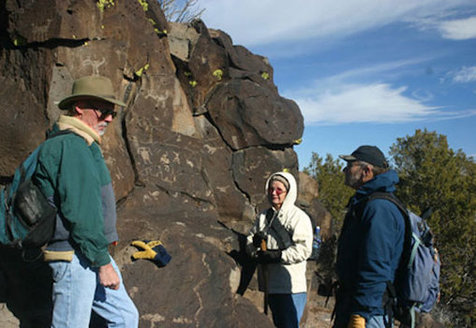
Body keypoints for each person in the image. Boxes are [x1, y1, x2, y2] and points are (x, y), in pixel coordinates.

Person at [33, 75, 139, 328]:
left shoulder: (83, 144)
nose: (110, 118)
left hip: (88, 252)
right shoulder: (71, 146)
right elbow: (81, 212)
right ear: (79, 107)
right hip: (74, 256)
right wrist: (103, 263)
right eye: (103, 111)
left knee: (125, 317)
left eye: (112, 112)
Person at [333, 145, 406, 328]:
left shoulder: (378, 209)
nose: (345, 170)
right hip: (357, 305)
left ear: (366, 171)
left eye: (350, 166)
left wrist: (360, 314)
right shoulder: (367, 203)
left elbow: (376, 265)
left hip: (369, 313)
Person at [246, 171, 313, 328]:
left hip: (291, 287)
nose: (274, 193)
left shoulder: (298, 217)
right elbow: (250, 242)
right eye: (271, 189)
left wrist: (279, 256)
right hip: (270, 284)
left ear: (288, 192)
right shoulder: (263, 216)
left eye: (279, 190)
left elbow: (304, 249)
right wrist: (255, 248)